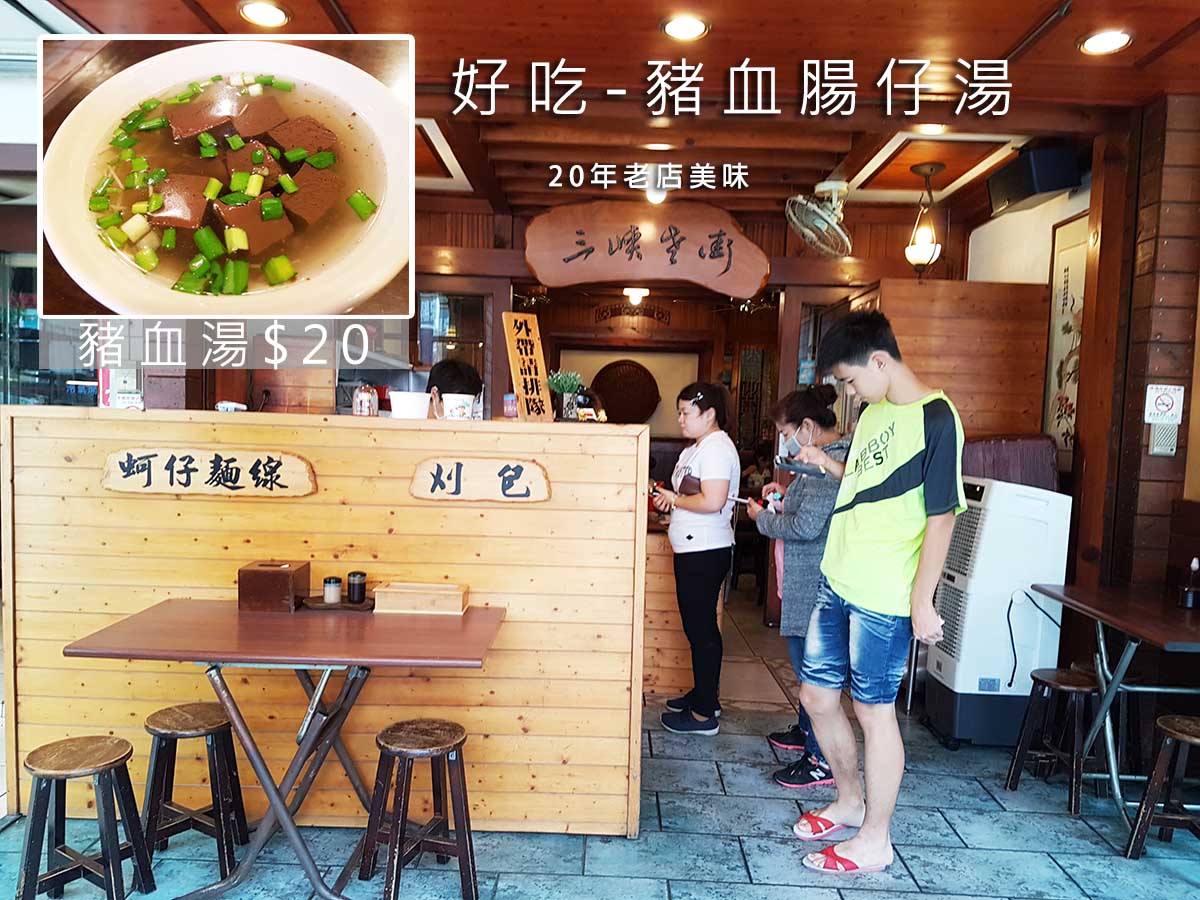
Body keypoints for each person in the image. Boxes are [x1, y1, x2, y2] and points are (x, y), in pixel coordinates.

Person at [791, 311, 965, 876]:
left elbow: (942, 518)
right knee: (817, 698)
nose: (848, 392)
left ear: (880, 361)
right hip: (837, 578)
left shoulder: (937, 418)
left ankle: (875, 839)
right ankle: (848, 801)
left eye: (850, 379)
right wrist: (824, 461)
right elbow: (865, 482)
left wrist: (922, 600)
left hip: (885, 596)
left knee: (874, 710)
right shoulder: (873, 412)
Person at [745, 384, 851, 789]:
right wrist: (785, 495)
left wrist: (762, 518)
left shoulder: (829, 462)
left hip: (815, 580)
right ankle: (807, 731)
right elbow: (810, 509)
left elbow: (807, 527)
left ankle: (820, 759)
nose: (784, 441)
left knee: (814, 671)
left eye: (786, 432)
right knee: (805, 665)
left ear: (807, 426)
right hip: (807, 577)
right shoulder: (823, 459)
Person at [651, 382, 741, 735]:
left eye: (686, 412)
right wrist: (669, 498)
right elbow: (689, 496)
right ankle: (704, 695)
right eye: (680, 411)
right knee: (697, 627)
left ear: (709, 414)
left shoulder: (717, 448)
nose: (680, 418)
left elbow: (713, 500)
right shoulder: (699, 447)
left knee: (701, 629)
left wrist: (674, 500)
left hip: (705, 549)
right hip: (693, 548)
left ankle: (704, 715)